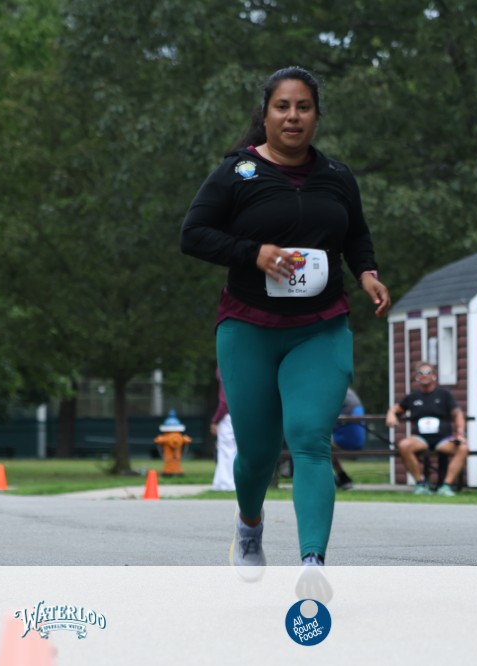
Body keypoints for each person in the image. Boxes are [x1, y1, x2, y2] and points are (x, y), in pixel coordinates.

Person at [180, 66, 391, 572]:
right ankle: (249, 525)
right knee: (257, 452)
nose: (293, 116)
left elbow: (356, 235)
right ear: (267, 113)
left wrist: (367, 272)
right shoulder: (237, 172)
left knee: (310, 439)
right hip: (249, 328)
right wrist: (252, 253)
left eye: (303, 107)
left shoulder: (337, 176)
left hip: (320, 327)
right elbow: (194, 234)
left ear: (316, 116)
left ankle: (312, 564)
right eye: (283, 107)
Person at [386, 361, 468, 497]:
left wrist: (460, 433)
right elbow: (396, 408)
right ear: (417, 377)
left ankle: (446, 486)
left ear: (434, 376)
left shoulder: (444, 394)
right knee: (404, 445)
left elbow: (457, 414)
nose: (424, 375)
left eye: (427, 372)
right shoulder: (412, 397)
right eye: (421, 373)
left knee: (463, 448)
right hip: (420, 439)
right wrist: (391, 415)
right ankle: (420, 484)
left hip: (444, 439)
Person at [331, 386, 366, 491]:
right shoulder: (348, 393)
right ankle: (342, 477)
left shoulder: (333, 392)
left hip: (346, 440)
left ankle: (331, 478)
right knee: (324, 444)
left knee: (318, 443)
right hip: (358, 440)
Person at [209, 368, 236, 491]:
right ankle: (219, 483)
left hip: (227, 417)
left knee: (226, 451)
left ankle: (226, 484)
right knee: (233, 450)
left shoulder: (226, 371)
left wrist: (215, 420)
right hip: (240, 415)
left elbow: (224, 402)